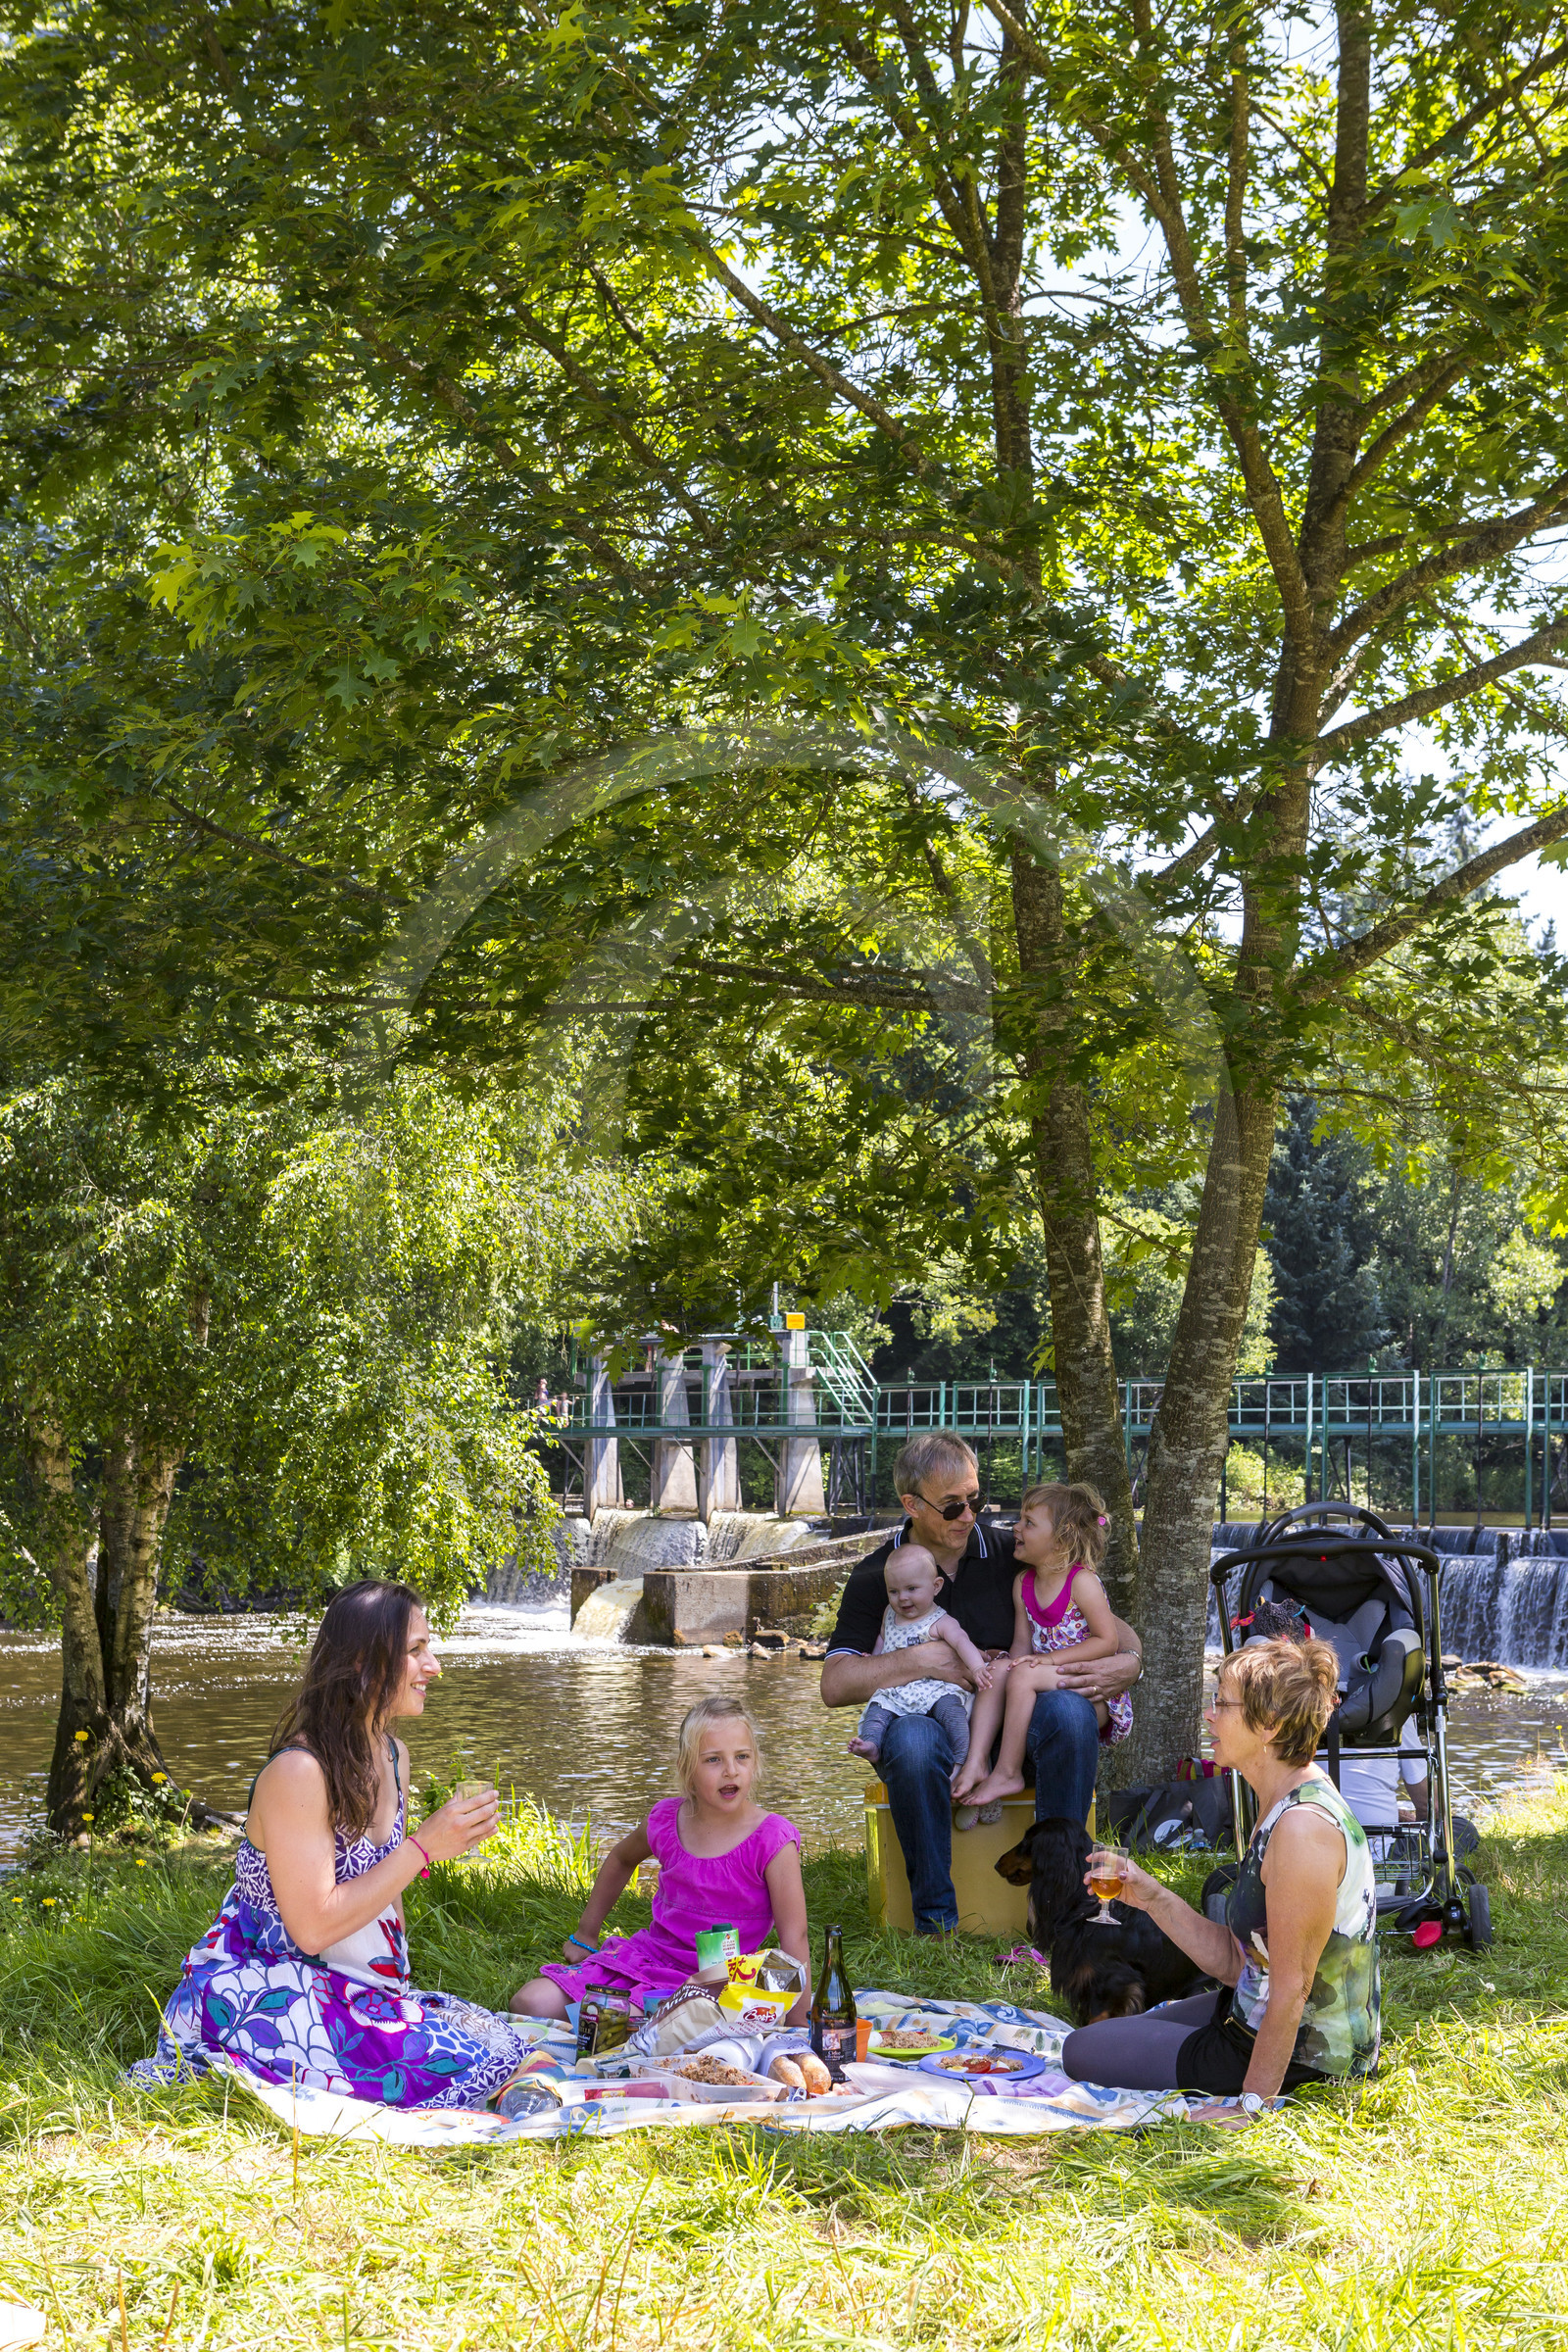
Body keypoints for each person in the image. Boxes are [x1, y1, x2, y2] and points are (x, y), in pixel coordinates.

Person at [131, 1580, 534, 2109]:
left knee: (490, 2038)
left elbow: (386, 1896)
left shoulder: (393, 1755)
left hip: (348, 1981)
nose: (433, 1666)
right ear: (364, 1662)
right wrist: (425, 1848)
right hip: (266, 1981)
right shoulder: (300, 1772)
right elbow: (313, 1925)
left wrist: (393, 1991)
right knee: (451, 2064)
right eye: (415, 1650)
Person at [819, 1433, 1144, 1936]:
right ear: (912, 1504)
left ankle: (1064, 1916)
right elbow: (834, 1685)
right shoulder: (880, 1575)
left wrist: (1132, 1661)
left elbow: (1106, 1625)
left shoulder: (1011, 1551)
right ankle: (936, 1923)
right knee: (908, 1737)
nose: (969, 1515)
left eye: (975, 1498)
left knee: (1069, 1713)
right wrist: (920, 1659)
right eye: (952, 1507)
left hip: (1017, 1737)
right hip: (935, 1747)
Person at [1062, 1637, 1380, 2102]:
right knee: (1119, 2034)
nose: (1209, 1715)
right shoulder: (1279, 1802)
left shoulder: (1301, 1831)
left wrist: (1250, 2104)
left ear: (1269, 1725)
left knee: (1080, 2051)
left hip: (1304, 2055)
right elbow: (1239, 1964)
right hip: (1250, 2011)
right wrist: (1151, 1896)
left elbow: (1292, 1990)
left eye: (1222, 1704)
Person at [511, 1698, 808, 2020]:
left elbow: (795, 1937)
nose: (730, 1770)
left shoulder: (773, 1840)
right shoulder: (666, 1820)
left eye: (742, 1757)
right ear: (686, 1768)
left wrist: (800, 2028)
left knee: (613, 2021)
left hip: (722, 1982)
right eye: (712, 1760)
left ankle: (630, 2029)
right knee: (530, 2003)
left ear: (755, 1762)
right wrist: (585, 1934)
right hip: (647, 1962)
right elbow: (622, 1859)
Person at [951, 1482, 1132, 1811]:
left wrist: (1046, 1661)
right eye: (1020, 1520)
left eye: (1029, 1523)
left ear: (1062, 1538)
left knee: (1023, 1675)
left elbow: (1108, 1642)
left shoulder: (1082, 1582)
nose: (1016, 1528)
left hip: (1091, 1687)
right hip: (1046, 1675)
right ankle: (975, 1761)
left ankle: (1008, 1772)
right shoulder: (1024, 1583)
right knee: (1000, 1670)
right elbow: (1022, 1643)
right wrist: (1010, 1664)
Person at [846, 1542, 998, 1765]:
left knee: (953, 1714)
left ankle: (960, 1759)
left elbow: (961, 1642)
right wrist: (875, 1658)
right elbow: (883, 1637)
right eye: (894, 1591)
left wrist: (977, 1668)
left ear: (936, 1586)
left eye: (911, 1589)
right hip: (897, 1688)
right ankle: (871, 1745)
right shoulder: (889, 1614)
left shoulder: (940, 1621)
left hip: (935, 1688)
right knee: (877, 1711)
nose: (903, 1598)